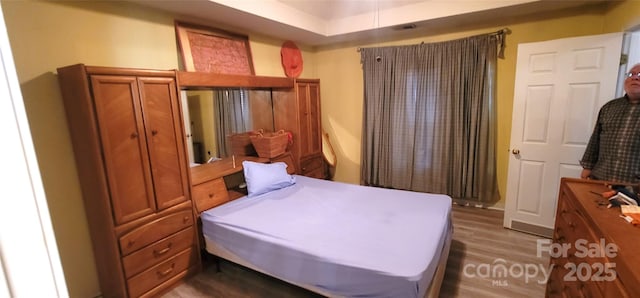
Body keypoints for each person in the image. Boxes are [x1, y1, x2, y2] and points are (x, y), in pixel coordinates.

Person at [580, 63, 640, 184]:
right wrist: (587, 167)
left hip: (634, 187)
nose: (635, 77)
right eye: (631, 74)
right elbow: (595, 140)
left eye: (639, 74)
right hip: (601, 180)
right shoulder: (609, 107)